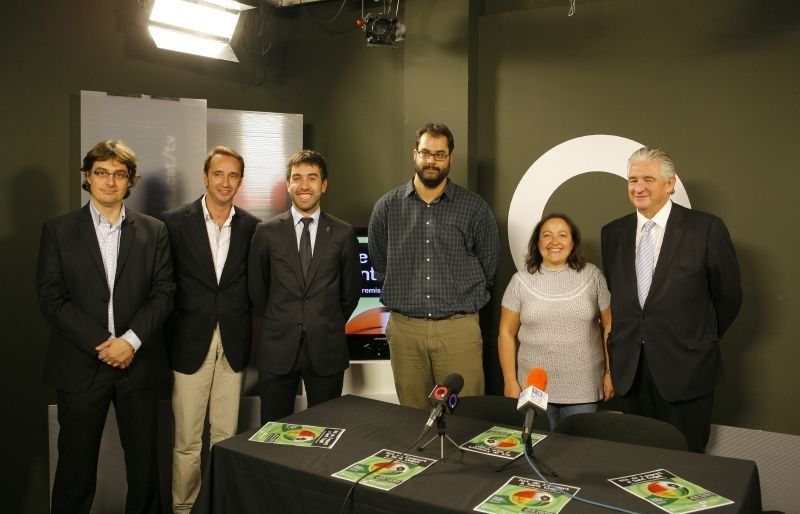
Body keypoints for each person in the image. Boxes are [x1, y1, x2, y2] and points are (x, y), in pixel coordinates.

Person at [37, 140, 173, 514]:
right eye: (101, 172)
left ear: (130, 181)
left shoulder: (155, 231)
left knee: (145, 470)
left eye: (119, 174)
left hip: (138, 365)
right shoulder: (59, 230)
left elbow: (164, 294)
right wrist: (104, 343)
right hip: (81, 366)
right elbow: (51, 299)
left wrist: (129, 342)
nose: (110, 181)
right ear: (87, 177)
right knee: (74, 471)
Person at [601, 146, 742, 453]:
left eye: (648, 179)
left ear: (670, 184)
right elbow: (623, 297)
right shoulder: (613, 233)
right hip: (632, 373)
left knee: (685, 465)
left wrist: (697, 338)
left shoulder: (705, 229)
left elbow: (729, 296)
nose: (638, 187)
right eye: (632, 179)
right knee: (637, 463)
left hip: (686, 369)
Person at [368, 123, 500, 409]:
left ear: (450, 158)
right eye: (426, 153)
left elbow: (488, 267)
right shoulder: (387, 207)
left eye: (440, 155)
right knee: (413, 419)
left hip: (458, 331)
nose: (432, 161)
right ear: (414, 153)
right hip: (405, 331)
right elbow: (380, 264)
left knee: (466, 417)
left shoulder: (474, 207)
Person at [162, 146, 259, 513]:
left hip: (233, 344)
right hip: (189, 344)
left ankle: (219, 506)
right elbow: (164, 285)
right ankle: (185, 508)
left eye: (233, 175)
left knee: (226, 438)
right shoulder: (174, 222)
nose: (225, 182)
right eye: (218, 174)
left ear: (240, 181)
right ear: (205, 177)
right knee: (187, 440)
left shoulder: (252, 226)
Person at [248, 149, 361, 423]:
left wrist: (322, 320)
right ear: (288, 184)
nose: (304, 185)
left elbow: (351, 293)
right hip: (277, 349)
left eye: (312, 178)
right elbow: (257, 289)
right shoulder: (266, 232)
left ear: (323, 185)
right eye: (297, 178)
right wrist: (286, 317)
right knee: (273, 436)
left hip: (326, 349)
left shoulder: (343, 233)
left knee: (326, 432)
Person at [498, 213, 613, 429]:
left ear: (573, 241)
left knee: (578, 454)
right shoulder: (520, 281)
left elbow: (609, 326)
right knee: (538, 451)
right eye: (547, 235)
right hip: (534, 388)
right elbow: (506, 332)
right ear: (538, 242)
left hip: (584, 388)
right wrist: (510, 381)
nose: (554, 242)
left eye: (562, 235)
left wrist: (609, 373)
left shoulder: (593, 276)